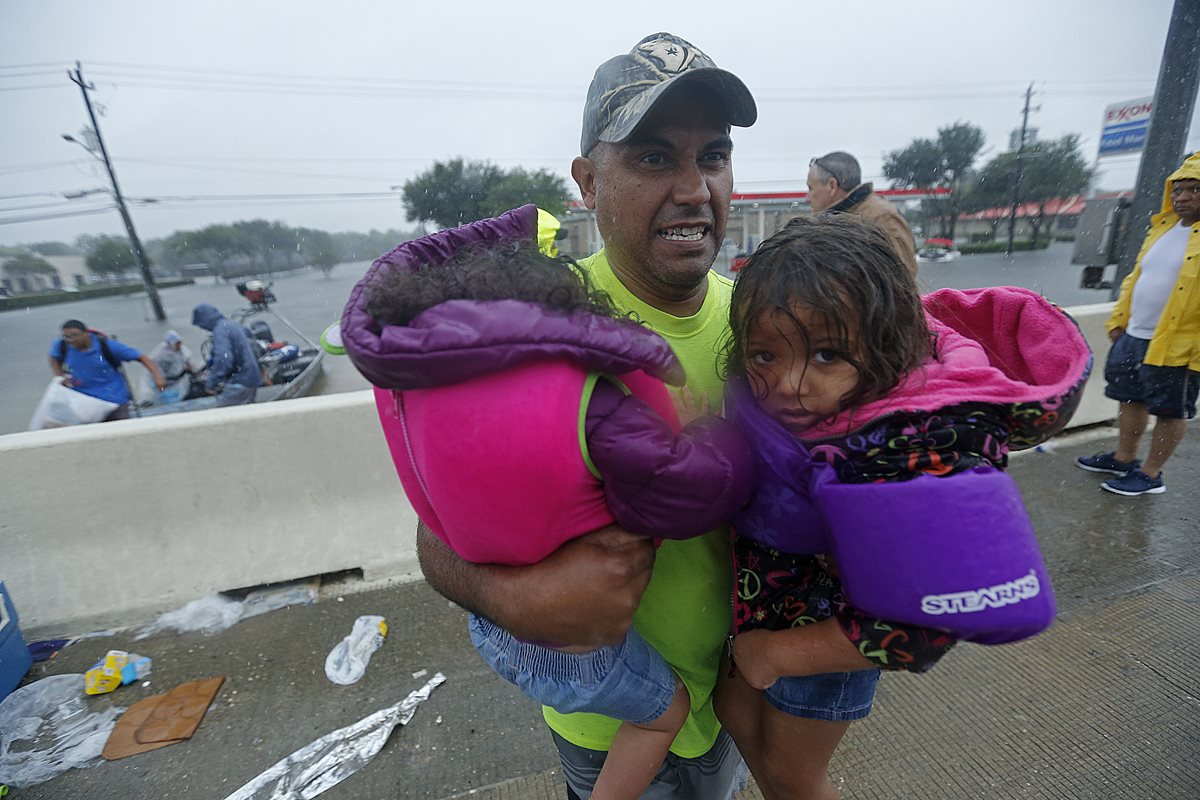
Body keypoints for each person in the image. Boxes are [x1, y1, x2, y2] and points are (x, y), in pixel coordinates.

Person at [349, 32, 758, 799]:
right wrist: (507, 597)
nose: (694, 188)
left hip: (738, 693)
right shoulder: (528, 327)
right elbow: (436, 524)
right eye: (653, 157)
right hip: (609, 724)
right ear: (586, 181)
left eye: (712, 156)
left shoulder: (769, 330)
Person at [714, 214, 1091, 798]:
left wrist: (775, 653)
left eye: (827, 355)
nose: (788, 384)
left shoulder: (921, 447)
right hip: (765, 618)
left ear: (889, 344)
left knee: (794, 778)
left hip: (823, 649)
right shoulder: (818, 407)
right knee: (737, 717)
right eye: (764, 355)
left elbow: (927, 628)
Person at [1075, 152, 1200, 496]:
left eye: (1195, 189)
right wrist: (1119, 321)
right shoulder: (1163, 228)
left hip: (1179, 344)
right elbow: (1137, 277)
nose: (1183, 197)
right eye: (1179, 189)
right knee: (1129, 399)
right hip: (1134, 335)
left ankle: (1151, 474)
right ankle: (1124, 458)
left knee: (1170, 411)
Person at [806, 151, 919, 277]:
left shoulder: (882, 217)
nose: (807, 197)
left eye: (811, 188)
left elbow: (901, 282)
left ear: (832, 185)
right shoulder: (842, 217)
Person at [48, 319, 166, 421]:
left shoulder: (108, 346)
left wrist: (157, 377)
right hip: (84, 402)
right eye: (66, 336)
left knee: (122, 432)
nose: (70, 340)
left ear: (86, 333)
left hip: (113, 400)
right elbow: (53, 358)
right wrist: (60, 376)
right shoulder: (62, 345)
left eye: (75, 335)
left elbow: (142, 358)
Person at [191, 303, 262, 407]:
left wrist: (212, 381)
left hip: (241, 379)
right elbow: (251, 345)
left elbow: (224, 358)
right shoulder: (232, 324)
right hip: (252, 377)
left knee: (221, 414)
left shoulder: (220, 330)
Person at [145, 330, 200, 403]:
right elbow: (158, 372)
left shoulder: (180, 351)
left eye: (180, 342)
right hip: (167, 384)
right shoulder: (163, 356)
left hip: (176, 382)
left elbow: (186, 361)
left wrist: (192, 368)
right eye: (177, 343)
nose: (180, 345)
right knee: (169, 399)